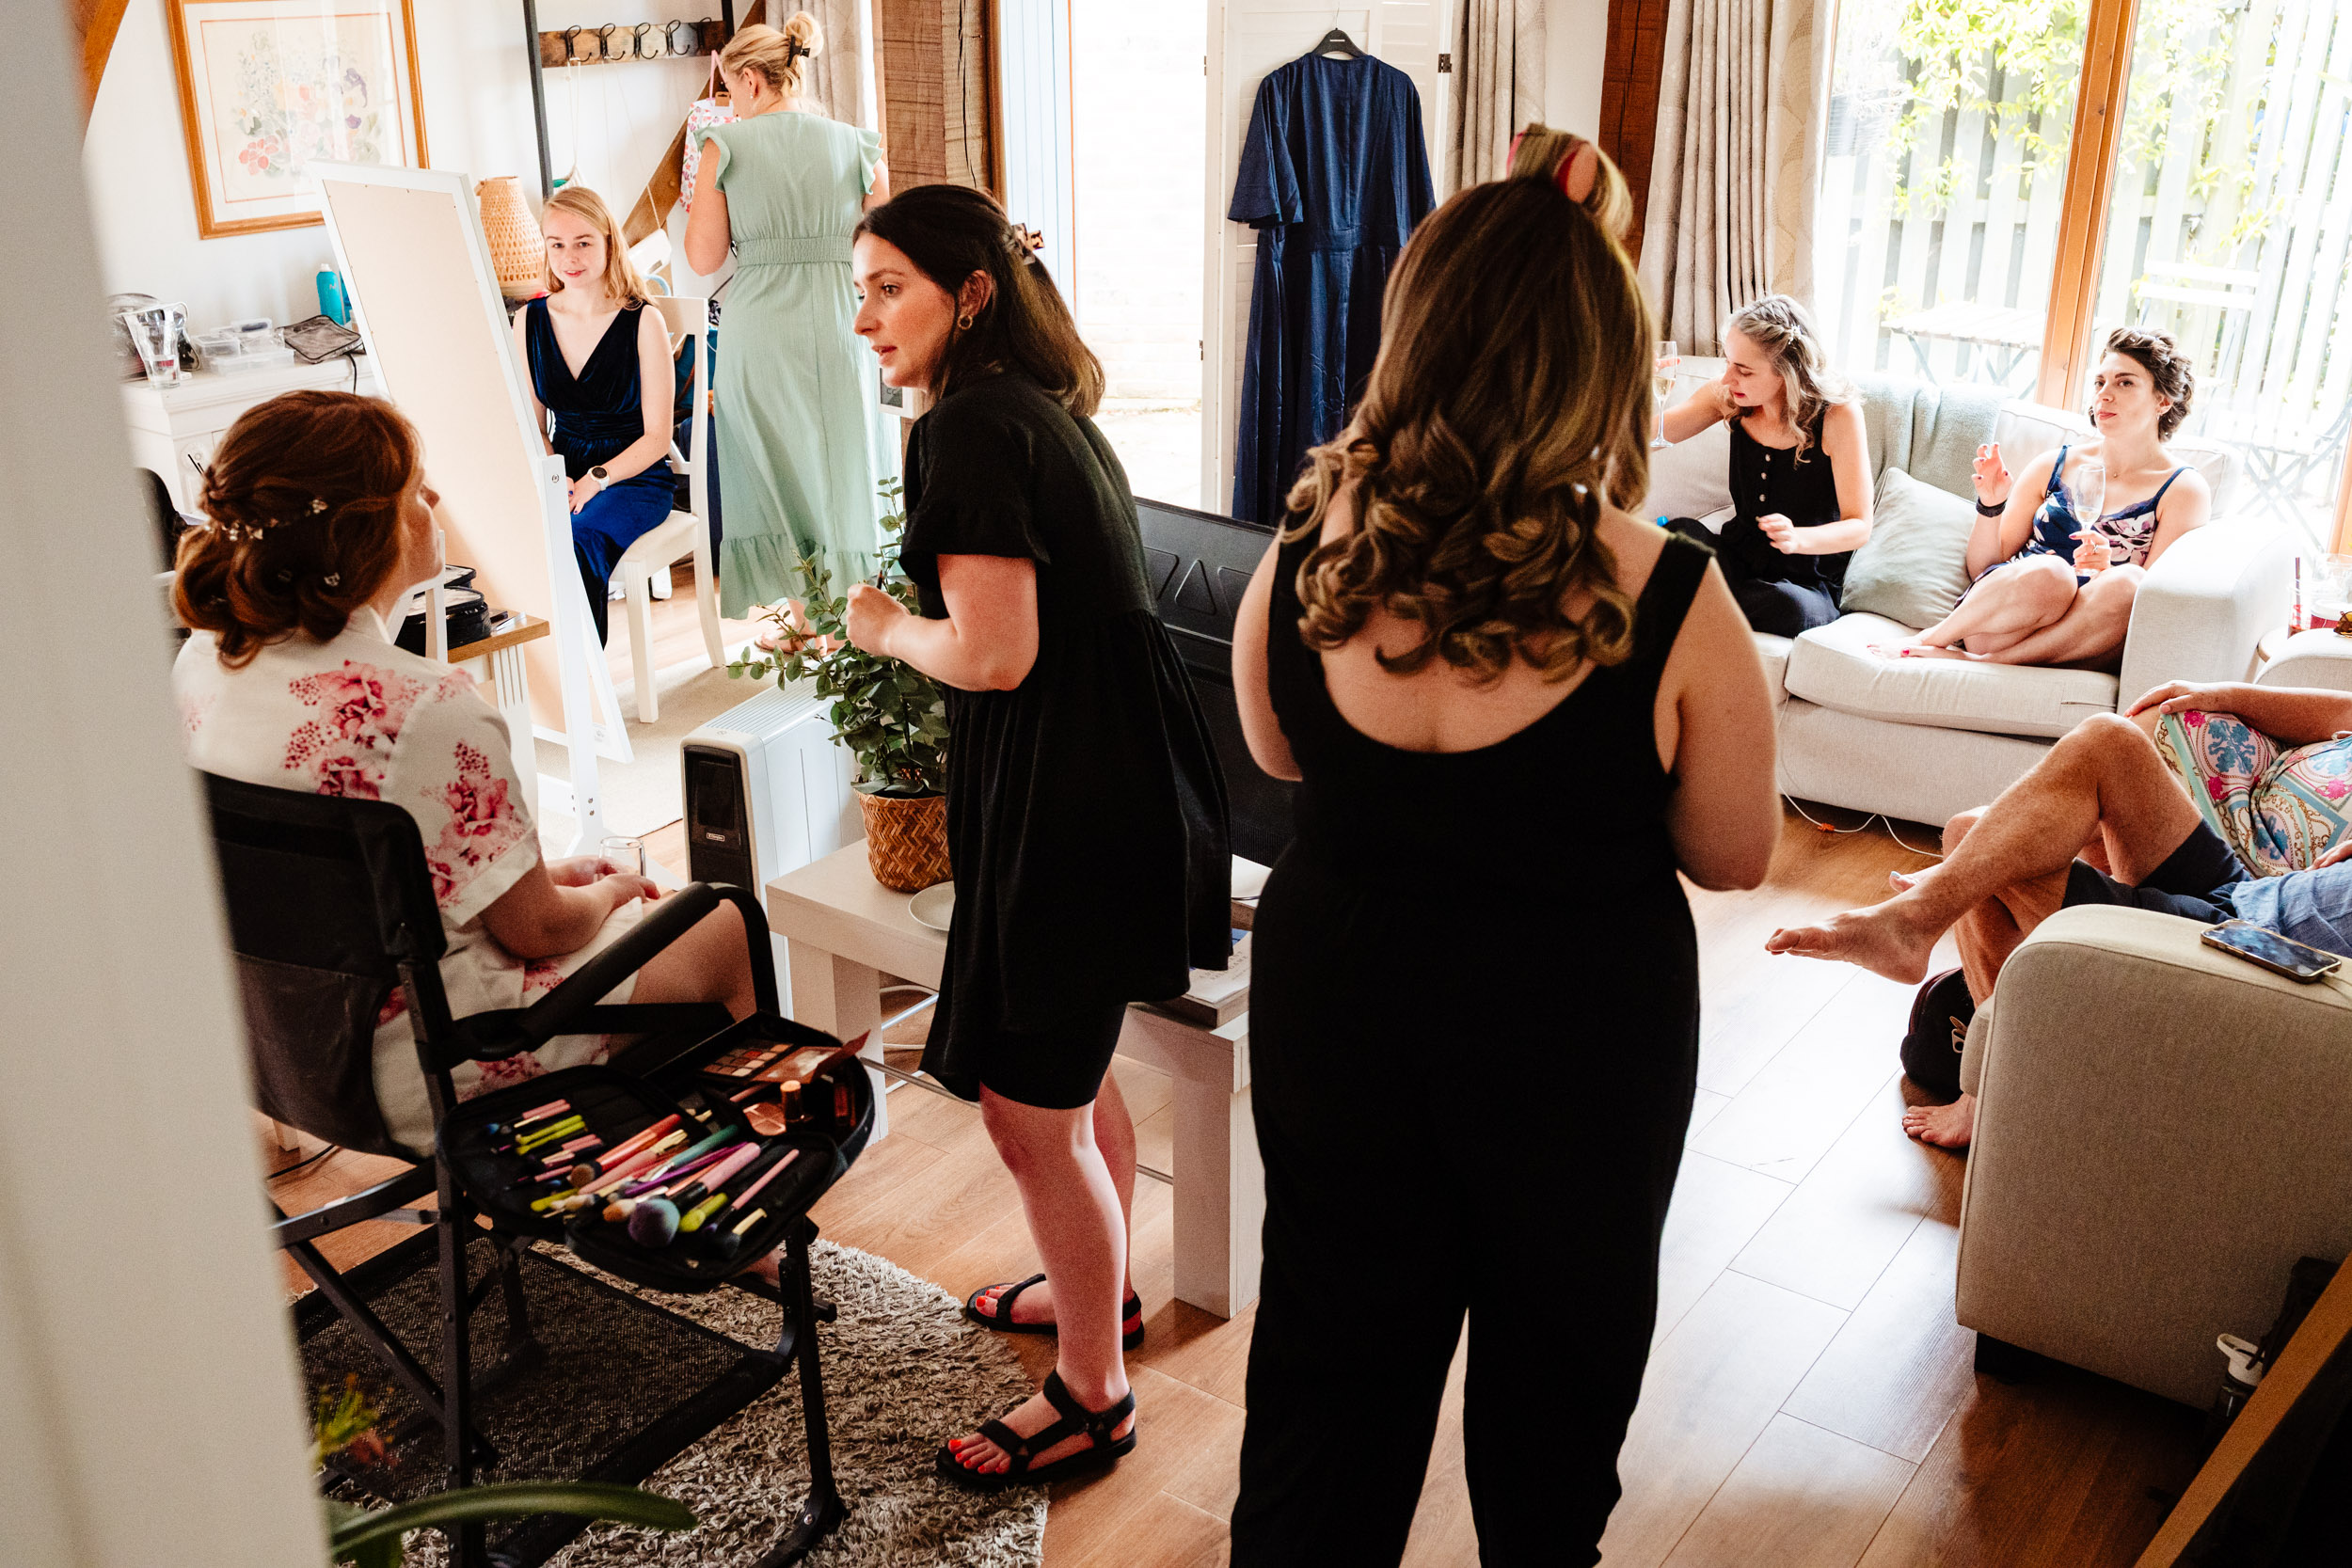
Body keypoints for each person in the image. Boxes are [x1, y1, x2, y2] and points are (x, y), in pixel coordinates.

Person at [1225, 178, 1780, 1565]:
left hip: (1342, 996)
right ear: (1602, 363)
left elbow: (1279, 752)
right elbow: (1735, 851)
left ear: (1411, 334)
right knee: (1555, 1390)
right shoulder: (1666, 594)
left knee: (1326, 1374)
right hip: (1573, 1028)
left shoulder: (1304, 544)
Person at [837, 183, 1232, 1491]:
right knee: (1067, 1075)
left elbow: (994, 655)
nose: (866, 314)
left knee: (1024, 1108)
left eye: (889, 284)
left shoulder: (968, 429)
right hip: (1114, 779)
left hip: (1075, 792)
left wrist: (885, 629)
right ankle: (1097, 1297)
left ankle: (1093, 1394)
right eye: (863, 285)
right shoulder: (1038, 411)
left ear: (971, 290)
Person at [171, 390, 758, 1155]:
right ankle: (741, 1202)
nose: (436, 499)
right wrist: (610, 888)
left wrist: (538, 873)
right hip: (433, 1068)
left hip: (272, 1050)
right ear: (363, 529)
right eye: (416, 486)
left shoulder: (199, 669)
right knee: (723, 921)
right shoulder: (426, 708)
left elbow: (373, 875)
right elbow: (536, 930)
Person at [1763, 682, 2352, 1148]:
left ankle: (1985, 1082)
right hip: (2256, 896)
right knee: (2108, 742)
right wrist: (2223, 695)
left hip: (2262, 949)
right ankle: (1923, 922)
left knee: (1974, 840)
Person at [683, 14, 895, 621]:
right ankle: (847, 614)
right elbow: (887, 249)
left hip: (760, 327)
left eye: (728, 90)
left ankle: (804, 613)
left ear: (750, 80)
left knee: (773, 463)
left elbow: (703, 258)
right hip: (842, 318)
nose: (730, 104)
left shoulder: (726, 145)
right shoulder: (857, 143)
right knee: (844, 455)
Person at [1878, 327, 2210, 666]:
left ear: (2163, 400)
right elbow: (1984, 566)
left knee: (2129, 582)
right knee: (2054, 573)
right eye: (2099, 383)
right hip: (2005, 621)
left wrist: (2107, 568)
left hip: (2085, 638)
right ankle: (1933, 639)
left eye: (2125, 383)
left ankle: (1987, 664)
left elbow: (2155, 606)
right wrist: (1990, 505)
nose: (2104, 395)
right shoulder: (2054, 464)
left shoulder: (2183, 490)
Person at [512, 185, 676, 644]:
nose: (570, 257)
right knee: (509, 535)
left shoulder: (643, 320)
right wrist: (553, 475)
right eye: (557, 244)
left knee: (576, 539)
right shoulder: (529, 320)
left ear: (608, 241)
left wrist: (596, 479)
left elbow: (657, 438)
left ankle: (585, 690)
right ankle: (535, 681)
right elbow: (531, 421)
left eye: (583, 242)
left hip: (634, 477)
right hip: (561, 472)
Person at [1658, 294, 1872, 637]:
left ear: (1788, 371)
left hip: (1804, 584)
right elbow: (1650, 437)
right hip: (1735, 563)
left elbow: (1859, 525)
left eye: (1743, 370)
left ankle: (1698, 605)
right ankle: (1709, 607)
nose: (1728, 379)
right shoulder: (1727, 398)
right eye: (1728, 363)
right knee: (1679, 534)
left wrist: (1797, 538)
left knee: (1786, 605)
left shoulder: (1838, 416)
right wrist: (1631, 385)